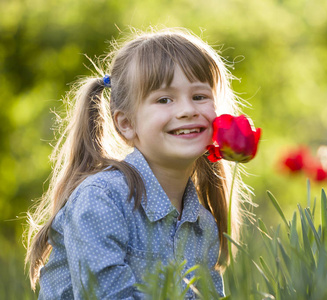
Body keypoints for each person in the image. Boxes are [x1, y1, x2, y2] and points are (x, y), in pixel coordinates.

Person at [25, 27, 250, 299]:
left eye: (199, 96)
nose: (188, 110)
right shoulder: (102, 199)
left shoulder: (202, 223)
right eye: (164, 99)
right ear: (127, 124)